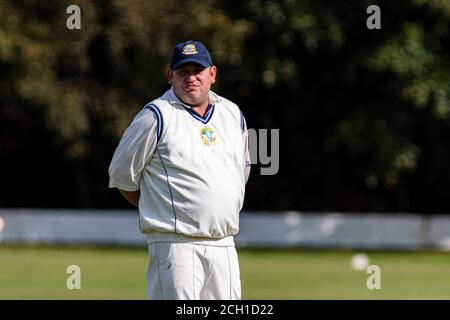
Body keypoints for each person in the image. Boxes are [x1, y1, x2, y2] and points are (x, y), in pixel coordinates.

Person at [108, 40, 251, 300]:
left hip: (224, 244)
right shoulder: (155, 116)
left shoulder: (232, 114)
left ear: (213, 74)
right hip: (176, 246)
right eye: (184, 71)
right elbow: (121, 176)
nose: (191, 78)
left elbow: (240, 172)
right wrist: (158, 206)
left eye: (198, 70)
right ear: (170, 76)